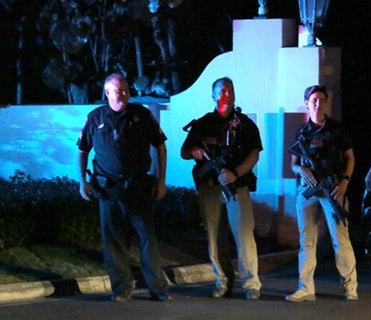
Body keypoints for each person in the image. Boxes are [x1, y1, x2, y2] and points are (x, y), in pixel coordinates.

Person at [77, 73, 171, 302]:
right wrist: (83, 181)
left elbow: (161, 147)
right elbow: (82, 150)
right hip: (108, 190)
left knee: (147, 240)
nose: (123, 93)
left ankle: (158, 289)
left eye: (126, 89)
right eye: (118, 90)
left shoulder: (142, 115)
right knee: (114, 243)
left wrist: (161, 181)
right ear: (107, 93)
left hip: (139, 189)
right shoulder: (95, 117)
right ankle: (121, 289)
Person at [180, 77, 262, 300]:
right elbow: (184, 151)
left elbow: (254, 154)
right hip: (210, 187)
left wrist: (236, 173)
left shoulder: (244, 124)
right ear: (214, 96)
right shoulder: (203, 123)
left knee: (244, 235)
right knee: (215, 237)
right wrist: (196, 151)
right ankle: (223, 281)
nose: (227, 93)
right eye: (222, 90)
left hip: (237, 185)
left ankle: (251, 284)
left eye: (230, 90)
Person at [285, 85, 358, 302]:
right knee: (307, 240)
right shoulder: (302, 132)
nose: (317, 103)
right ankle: (305, 288)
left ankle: (350, 287)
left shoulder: (337, 129)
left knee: (340, 239)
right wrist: (302, 169)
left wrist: (345, 181)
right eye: (313, 100)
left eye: (321, 100)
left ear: (326, 102)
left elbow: (350, 158)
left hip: (333, 188)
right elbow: (293, 164)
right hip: (308, 190)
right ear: (307, 102)